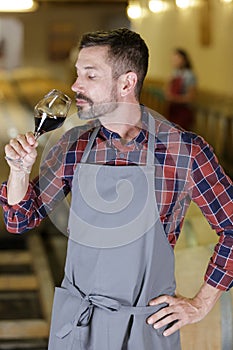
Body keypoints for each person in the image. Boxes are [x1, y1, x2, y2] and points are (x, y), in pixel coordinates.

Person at [0, 28, 232, 350]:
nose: (75, 86)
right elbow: (19, 220)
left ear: (127, 83)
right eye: (77, 74)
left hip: (145, 329)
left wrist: (201, 303)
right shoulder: (73, 145)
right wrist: (19, 173)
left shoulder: (183, 150)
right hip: (77, 327)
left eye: (90, 76)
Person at [164, 48, 197, 130]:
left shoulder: (189, 75)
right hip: (172, 109)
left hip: (183, 111)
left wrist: (175, 99)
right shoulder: (175, 73)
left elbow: (191, 97)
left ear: (184, 60)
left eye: (177, 59)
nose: (174, 61)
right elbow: (167, 89)